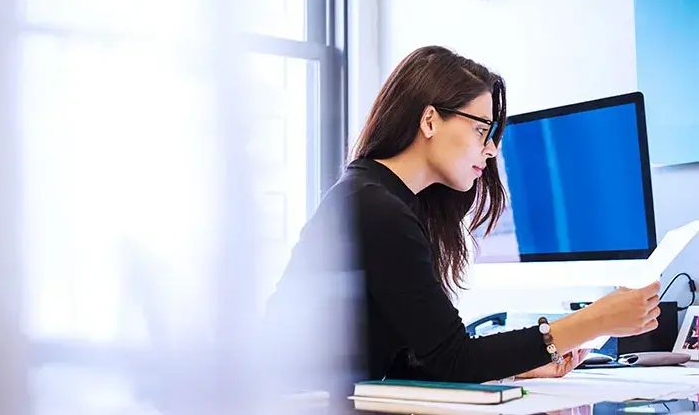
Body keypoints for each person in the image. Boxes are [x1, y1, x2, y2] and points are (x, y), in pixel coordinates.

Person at [264, 45, 661, 389]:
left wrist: (522, 365)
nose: (490, 152)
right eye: (480, 130)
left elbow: (408, 359)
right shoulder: (376, 207)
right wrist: (596, 320)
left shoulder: (377, 194)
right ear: (430, 120)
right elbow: (453, 358)